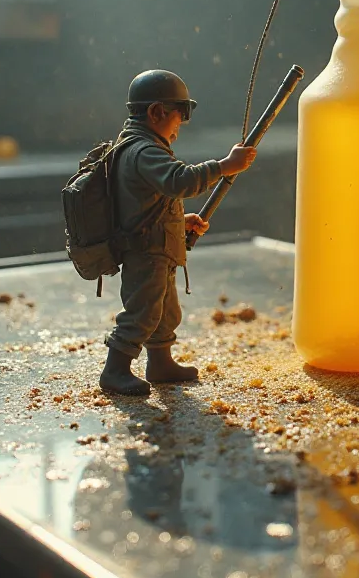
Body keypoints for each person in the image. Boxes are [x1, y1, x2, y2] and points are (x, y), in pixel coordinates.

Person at [100, 70, 256, 396]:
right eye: (177, 118)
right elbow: (179, 181)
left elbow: (147, 201)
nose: (178, 129)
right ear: (156, 112)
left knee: (165, 311)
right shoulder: (144, 151)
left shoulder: (137, 147)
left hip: (157, 246)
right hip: (146, 252)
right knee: (142, 312)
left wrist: (177, 220)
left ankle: (160, 362)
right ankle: (114, 371)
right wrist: (226, 165)